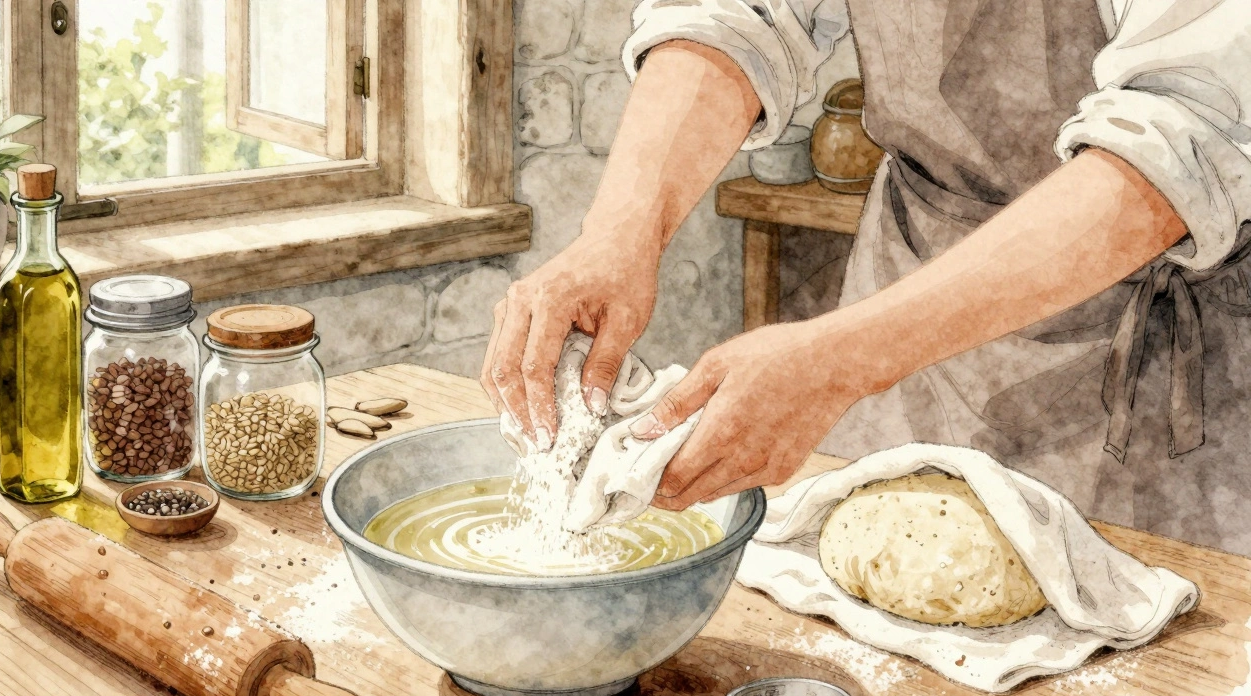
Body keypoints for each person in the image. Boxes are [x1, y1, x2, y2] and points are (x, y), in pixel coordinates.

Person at [482, 0, 1251, 555]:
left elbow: (1181, 143)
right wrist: (617, 235)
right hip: (911, 303)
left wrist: (840, 360)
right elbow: (736, 14)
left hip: (1171, 376)